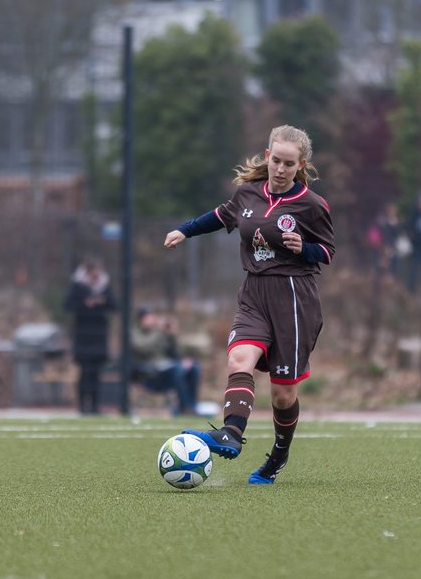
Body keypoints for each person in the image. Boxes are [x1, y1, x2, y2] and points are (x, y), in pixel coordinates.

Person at [163, 124, 335, 485]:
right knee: (239, 358)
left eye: (289, 163)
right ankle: (231, 434)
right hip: (254, 292)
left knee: (283, 394)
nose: (280, 169)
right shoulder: (248, 194)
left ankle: (278, 457)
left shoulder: (312, 205)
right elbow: (220, 216)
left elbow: (327, 251)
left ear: (300, 165)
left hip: (293, 298)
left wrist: (302, 248)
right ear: (268, 156)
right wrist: (184, 230)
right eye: (276, 160)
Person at [63, 258, 116, 415]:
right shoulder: (77, 286)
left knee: (96, 374)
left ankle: (95, 406)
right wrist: (84, 303)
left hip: (99, 336)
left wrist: (101, 302)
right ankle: (82, 406)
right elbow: (68, 305)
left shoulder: (104, 287)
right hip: (83, 336)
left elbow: (114, 305)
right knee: (84, 373)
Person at [131, 308, 201, 416]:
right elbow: (143, 347)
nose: (152, 320)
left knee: (194, 368)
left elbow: (173, 353)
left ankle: (192, 407)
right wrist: (159, 331)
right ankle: (184, 407)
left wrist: (171, 335)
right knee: (178, 370)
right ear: (141, 320)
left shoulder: (158, 332)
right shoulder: (135, 332)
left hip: (166, 369)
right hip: (148, 372)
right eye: (148, 318)